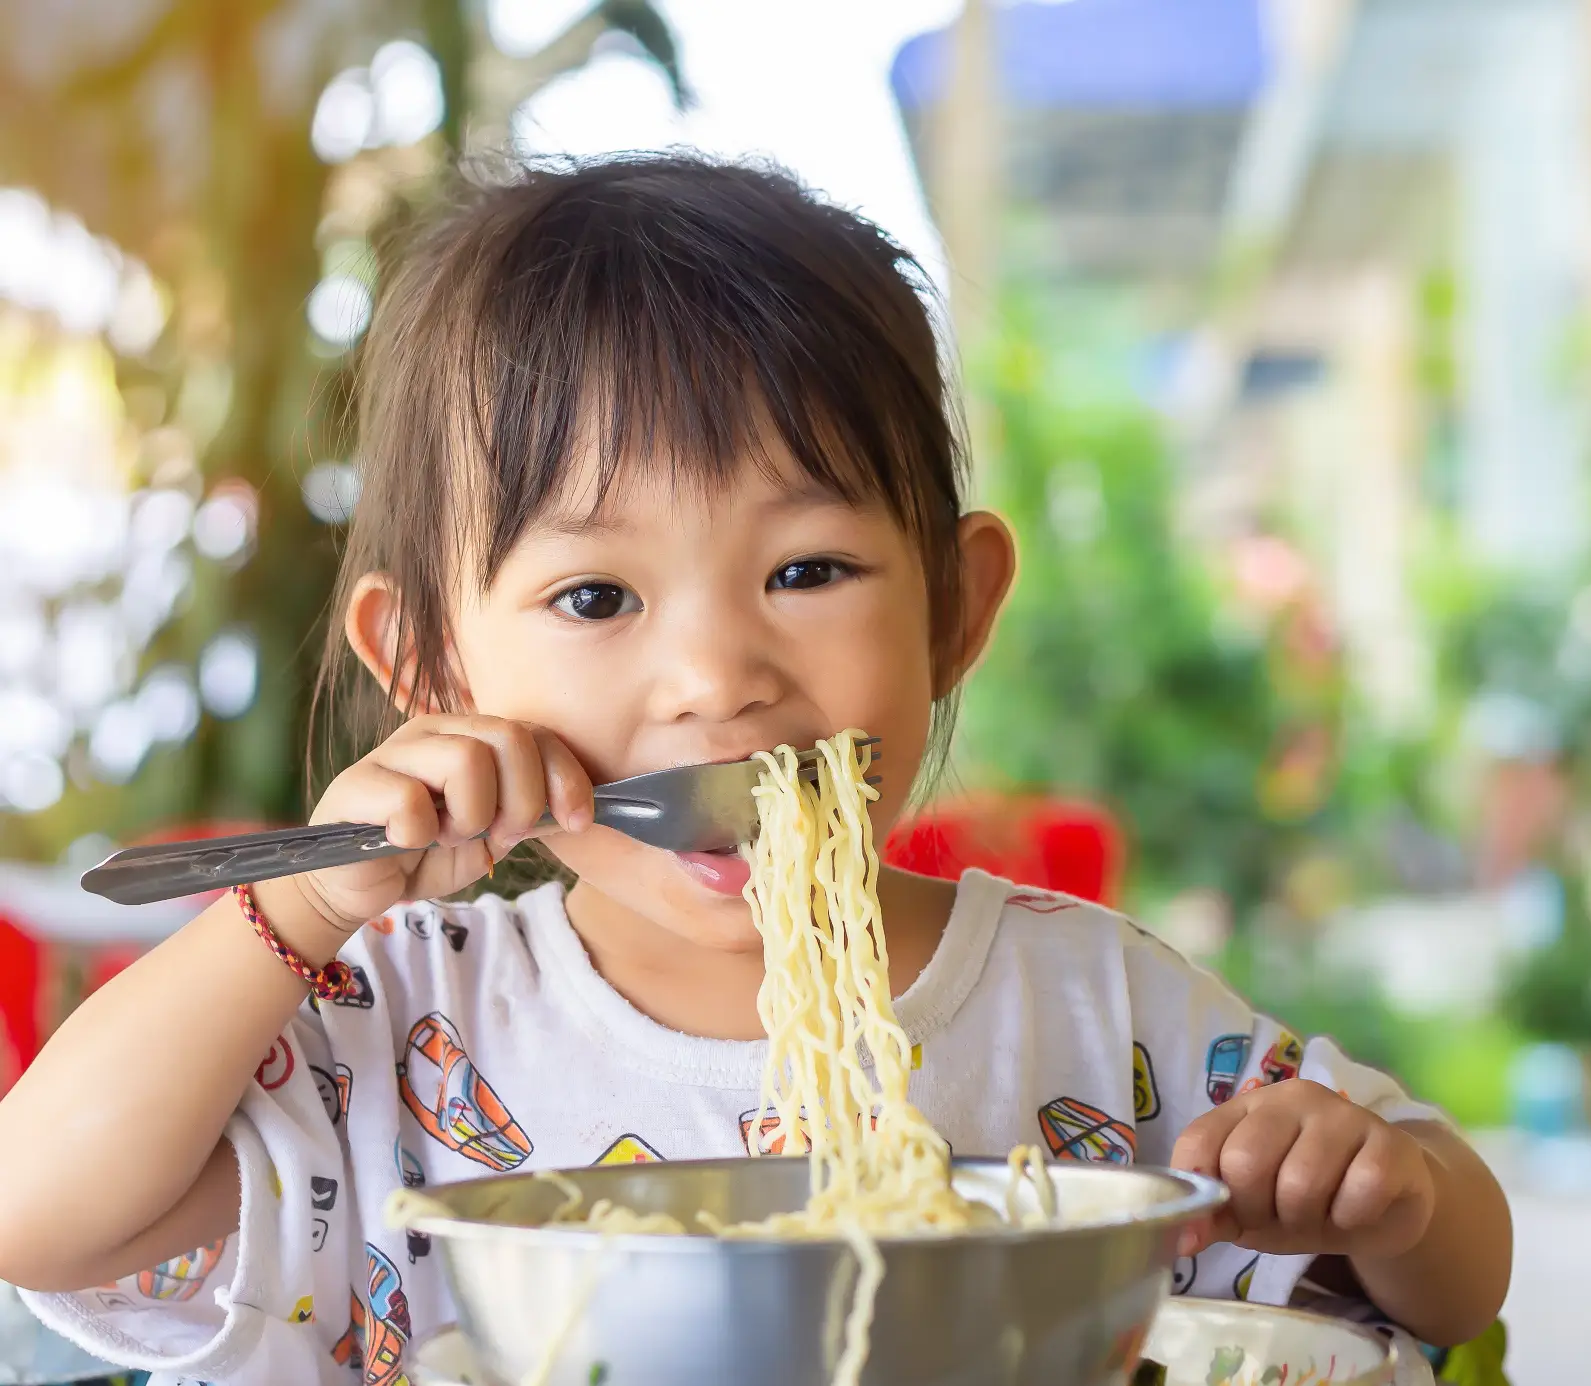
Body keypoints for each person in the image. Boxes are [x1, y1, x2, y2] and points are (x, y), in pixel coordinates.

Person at [0, 156, 1511, 1385]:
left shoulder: (1098, 1007)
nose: (721, 676)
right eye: (597, 597)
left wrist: (1394, 1193)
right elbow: (41, 1217)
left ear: (955, 609)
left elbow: (1451, 1268)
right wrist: (294, 914)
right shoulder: (393, 1016)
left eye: (809, 567)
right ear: (433, 668)